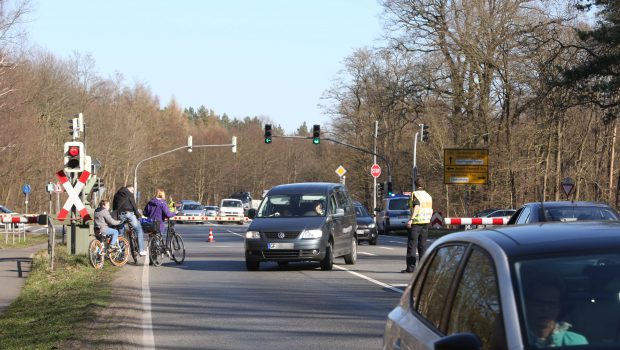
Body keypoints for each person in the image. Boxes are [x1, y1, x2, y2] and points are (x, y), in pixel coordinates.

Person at [524, 278, 588, 347]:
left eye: (551, 304)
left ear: (559, 308)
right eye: (539, 302)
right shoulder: (514, 340)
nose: (545, 308)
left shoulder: (577, 342)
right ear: (527, 305)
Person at [402, 177, 433, 273]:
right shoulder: (428, 195)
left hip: (416, 223)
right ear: (423, 184)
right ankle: (423, 268)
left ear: (415, 185)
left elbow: (417, 207)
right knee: (422, 246)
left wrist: (411, 220)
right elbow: (430, 209)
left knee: (412, 245)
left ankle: (411, 268)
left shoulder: (415, 194)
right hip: (426, 222)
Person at [113, 185, 147, 256]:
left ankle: (120, 253)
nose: (133, 191)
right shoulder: (129, 194)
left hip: (120, 215)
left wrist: (115, 215)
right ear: (128, 188)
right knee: (139, 230)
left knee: (121, 233)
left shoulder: (117, 194)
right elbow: (134, 205)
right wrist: (138, 215)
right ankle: (141, 250)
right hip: (129, 214)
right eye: (132, 190)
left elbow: (114, 205)